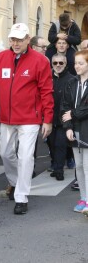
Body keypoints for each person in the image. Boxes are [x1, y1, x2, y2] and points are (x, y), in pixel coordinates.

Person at [0, 23, 54, 215]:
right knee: (6, 153)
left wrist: (47, 119)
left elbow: (46, 92)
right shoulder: (0, 59)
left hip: (30, 119)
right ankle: (16, 183)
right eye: (13, 39)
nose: (16, 43)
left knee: (25, 157)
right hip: (7, 118)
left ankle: (21, 196)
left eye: (20, 39)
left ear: (27, 39)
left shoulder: (40, 61)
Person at [61, 50, 88, 215]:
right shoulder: (71, 83)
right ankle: (83, 198)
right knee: (78, 166)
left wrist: (73, 113)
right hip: (75, 130)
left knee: (87, 167)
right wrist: (68, 126)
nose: (76, 66)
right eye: (75, 63)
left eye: (81, 63)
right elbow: (64, 107)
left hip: (87, 130)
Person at [48, 53, 74, 181]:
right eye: (55, 63)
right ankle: (56, 166)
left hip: (64, 119)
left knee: (60, 144)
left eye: (61, 63)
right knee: (52, 144)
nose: (58, 65)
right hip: (49, 119)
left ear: (65, 64)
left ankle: (59, 170)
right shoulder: (47, 78)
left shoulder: (71, 79)